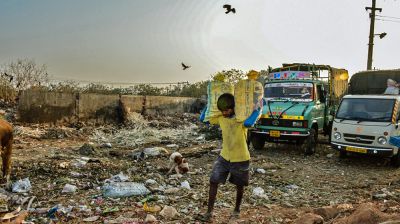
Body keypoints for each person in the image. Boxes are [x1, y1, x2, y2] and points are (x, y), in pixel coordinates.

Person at [197, 93, 261, 222]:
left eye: (226, 110)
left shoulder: (241, 118)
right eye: (222, 111)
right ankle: (209, 213)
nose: (224, 113)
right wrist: (208, 105)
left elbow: (249, 123)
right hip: (224, 156)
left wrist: (258, 109)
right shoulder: (221, 117)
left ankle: (236, 210)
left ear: (233, 108)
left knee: (239, 185)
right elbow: (202, 119)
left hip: (241, 158)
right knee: (213, 181)